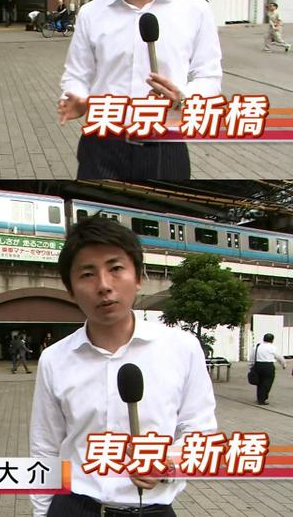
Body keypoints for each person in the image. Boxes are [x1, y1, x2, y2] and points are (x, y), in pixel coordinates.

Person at [30, 216, 217, 517]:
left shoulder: (182, 348)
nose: (104, 286)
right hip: (75, 507)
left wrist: (168, 464)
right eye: (87, 274)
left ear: (139, 276)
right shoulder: (54, 359)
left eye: (115, 269)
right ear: (71, 289)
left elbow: (201, 432)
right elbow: (45, 448)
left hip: (153, 509)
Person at [58, 0, 222, 180]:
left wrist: (183, 97)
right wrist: (78, 97)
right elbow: (76, 75)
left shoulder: (195, 10)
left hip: (166, 144)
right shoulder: (91, 13)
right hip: (102, 143)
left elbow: (209, 77)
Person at [249, 332, 286, 405]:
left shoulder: (257, 346)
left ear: (263, 339)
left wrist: (251, 366)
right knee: (267, 383)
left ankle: (260, 398)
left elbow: (252, 356)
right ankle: (262, 399)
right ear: (272, 340)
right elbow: (279, 357)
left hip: (258, 365)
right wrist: (283, 364)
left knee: (259, 383)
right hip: (268, 366)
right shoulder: (273, 347)